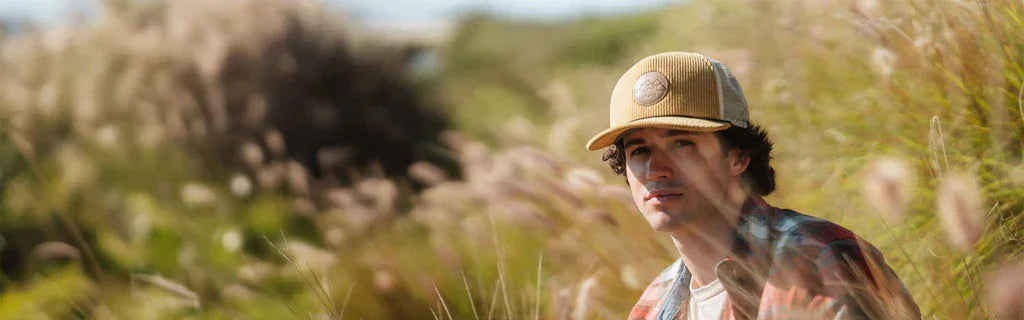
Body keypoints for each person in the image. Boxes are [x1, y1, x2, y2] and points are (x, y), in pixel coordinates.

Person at [585, 52, 920, 320]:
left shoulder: (820, 260)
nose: (655, 170)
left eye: (682, 144)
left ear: (738, 157)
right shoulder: (652, 307)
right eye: (639, 150)